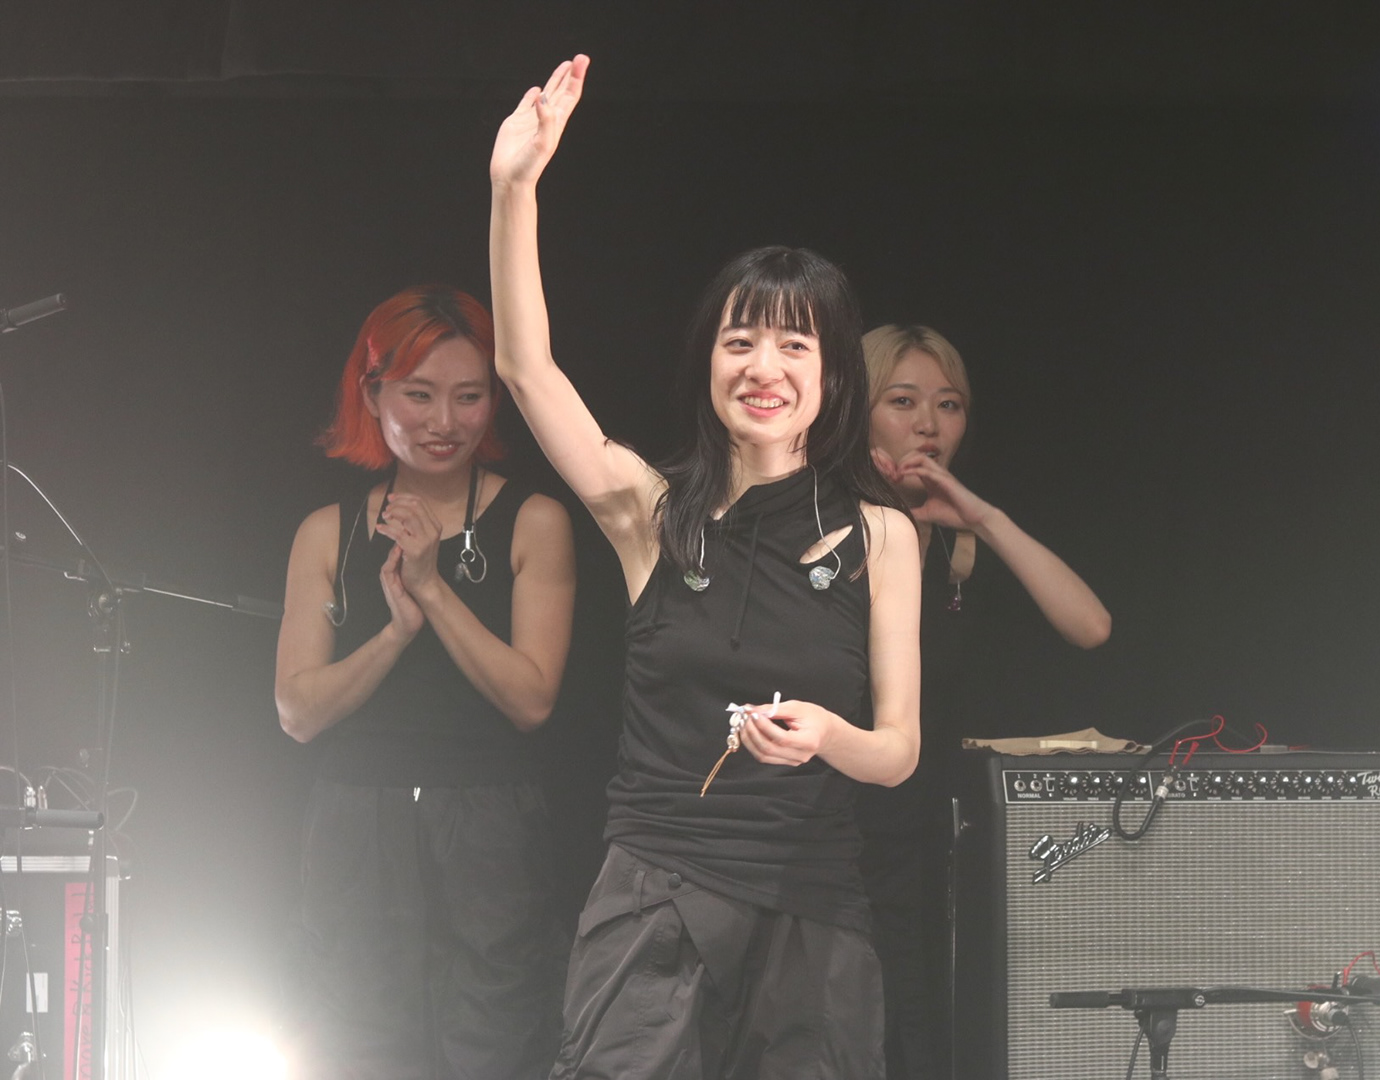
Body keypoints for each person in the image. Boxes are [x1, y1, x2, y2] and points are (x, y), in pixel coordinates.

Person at [487, 56, 921, 1080]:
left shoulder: (881, 534)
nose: (763, 368)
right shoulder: (651, 511)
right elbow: (525, 369)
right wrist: (514, 189)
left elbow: (899, 750)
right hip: (655, 895)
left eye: (795, 348)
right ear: (711, 360)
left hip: (810, 905)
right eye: (740, 342)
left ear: (832, 377)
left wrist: (828, 735)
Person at [273, 284, 577, 1080]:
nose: (445, 421)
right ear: (372, 394)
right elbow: (297, 711)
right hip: (355, 816)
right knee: (355, 1045)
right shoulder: (327, 531)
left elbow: (532, 700)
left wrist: (434, 590)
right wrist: (394, 633)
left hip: (490, 819)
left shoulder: (535, 520)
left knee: (497, 1039)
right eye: (419, 395)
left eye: (469, 396)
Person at [858, 323, 1111, 1079]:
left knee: (935, 1032)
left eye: (949, 405)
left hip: (935, 834)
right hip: (840, 834)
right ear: (856, 411)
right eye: (902, 402)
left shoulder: (957, 542)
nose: (928, 426)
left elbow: (1092, 626)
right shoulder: (824, 526)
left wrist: (984, 521)